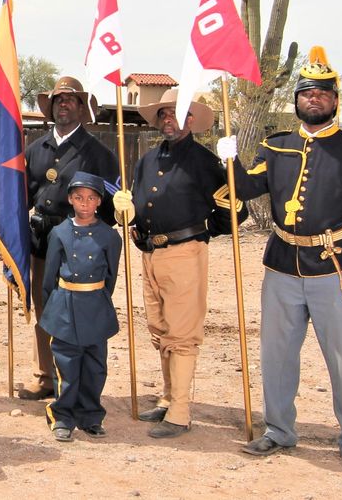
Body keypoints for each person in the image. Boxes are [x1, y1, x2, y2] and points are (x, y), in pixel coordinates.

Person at [218, 47, 342, 475]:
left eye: (322, 92)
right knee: (276, 354)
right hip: (281, 264)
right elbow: (245, 188)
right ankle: (279, 430)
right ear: (296, 99)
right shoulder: (276, 147)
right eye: (305, 92)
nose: (312, 98)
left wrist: (338, 237)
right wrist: (227, 159)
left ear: (335, 99)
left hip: (337, 266)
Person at [112, 89, 246, 439]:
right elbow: (142, 202)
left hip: (185, 253)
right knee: (160, 330)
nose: (168, 119)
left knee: (182, 334)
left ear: (191, 120)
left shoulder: (205, 163)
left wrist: (200, 233)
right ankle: (169, 396)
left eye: (176, 113)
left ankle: (181, 411)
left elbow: (235, 211)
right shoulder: (148, 160)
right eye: (163, 114)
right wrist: (130, 217)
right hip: (150, 254)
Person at [19, 76, 117, 401]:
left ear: (80, 107)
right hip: (42, 243)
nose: (64, 104)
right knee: (45, 310)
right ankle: (45, 376)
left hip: (79, 246)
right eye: (59, 99)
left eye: (71, 99)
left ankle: (72, 381)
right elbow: (22, 198)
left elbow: (110, 204)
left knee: (76, 313)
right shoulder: (35, 149)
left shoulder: (97, 153)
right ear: (52, 107)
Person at [40, 172, 122, 442]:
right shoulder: (59, 233)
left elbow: (110, 277)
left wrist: (96, 299)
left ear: (99, 201)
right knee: (66, 366)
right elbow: (50, 278)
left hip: (95, 306)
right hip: (66, 307)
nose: (84, 203)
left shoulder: (109, 236)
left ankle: (90, 416)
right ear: (69, 199)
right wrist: (54, 309)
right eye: (78, 198)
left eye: (90, 198)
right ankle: (62, 416)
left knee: (95, 367)